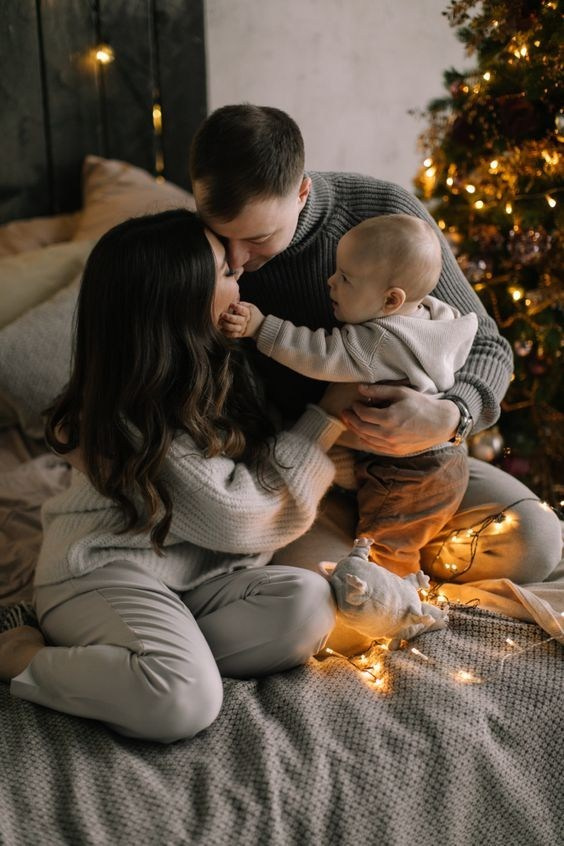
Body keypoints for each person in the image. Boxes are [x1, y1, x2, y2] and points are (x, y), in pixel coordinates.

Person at [189, 103, 561, 623]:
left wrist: (450, 415)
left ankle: (397, 551)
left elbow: (485, 345)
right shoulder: (193, 255)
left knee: (537, 541)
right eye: (221, 236)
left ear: (302, 192)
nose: (236, 260)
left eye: (257, 239)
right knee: (324, 604)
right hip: (301, 480)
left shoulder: (383, 216)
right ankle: (387, 562)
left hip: (413, 467)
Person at [0, 209, 361, 744]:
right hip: (104, 569)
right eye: (227, 272)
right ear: (179, 305)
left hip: (195, 578)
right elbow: (244, 519)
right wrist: (325, 419)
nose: (242, 277)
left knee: (308, 605)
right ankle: (22, 656)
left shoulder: (217, 367)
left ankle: (150, 662)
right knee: (182, 702)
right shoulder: (139, 419)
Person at [220, 213, 478, 577]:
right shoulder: (439, 318)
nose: (330, 281)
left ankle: (396, 594)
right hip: (443, 458)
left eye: (345, 278)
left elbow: (320, 354)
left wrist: (262, 327)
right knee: (402, 533)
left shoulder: (380, 341)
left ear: (391, 301)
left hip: (403, 471)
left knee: (381, 549)